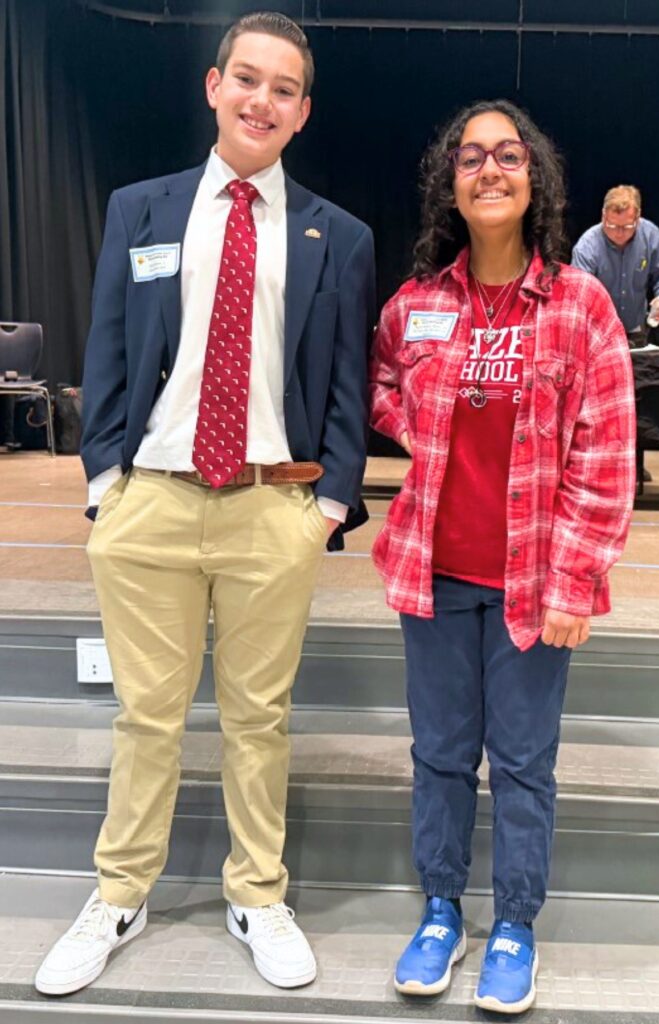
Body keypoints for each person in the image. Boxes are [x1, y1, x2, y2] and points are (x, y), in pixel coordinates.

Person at [36, 11, 375, 997]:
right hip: (151, 505)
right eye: (247, 79)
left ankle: (256, 894)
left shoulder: (336, 236)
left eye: (282, 89)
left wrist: (328, 510)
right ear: (212, 86)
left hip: (273, 509)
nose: (260, 100)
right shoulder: (138, 209)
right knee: (146, 716)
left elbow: (348, 385)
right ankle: (118, 892)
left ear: (301, 112)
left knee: (256, 717)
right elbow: (103, 352)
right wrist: (107, 486)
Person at [369, 99, 635, 1015]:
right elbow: (381, 384)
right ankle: (441, 909)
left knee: (522, 765)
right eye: (471, 156)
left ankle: (513, 924)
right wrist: (425, 430)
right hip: (431, 579)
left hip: (531, 586)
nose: (490, 169)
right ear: (451, 181)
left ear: (534, 181)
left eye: (508, 156)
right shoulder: (418, 303)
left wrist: (576, 578)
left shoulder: (579, 304)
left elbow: (605, 455)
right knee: (439, 756)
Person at [571, 184, 659, 345]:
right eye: (612, 226)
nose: (619, 233)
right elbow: (578, 293)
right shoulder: (587, 246)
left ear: (638, 217)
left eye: (627, 227)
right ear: (603, 216)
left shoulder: (651, 236)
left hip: (636, 329)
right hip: (598, 332)